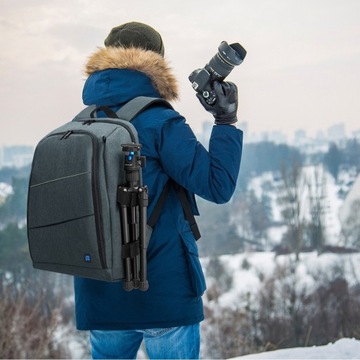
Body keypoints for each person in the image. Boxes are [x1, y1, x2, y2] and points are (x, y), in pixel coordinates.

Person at [74, 21, 243, 359]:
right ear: (157, 64)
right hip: (163, 292)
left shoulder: (80, 123)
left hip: (100, 295)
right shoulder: (160, 121)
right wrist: (225, 121)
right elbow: (217, 185)